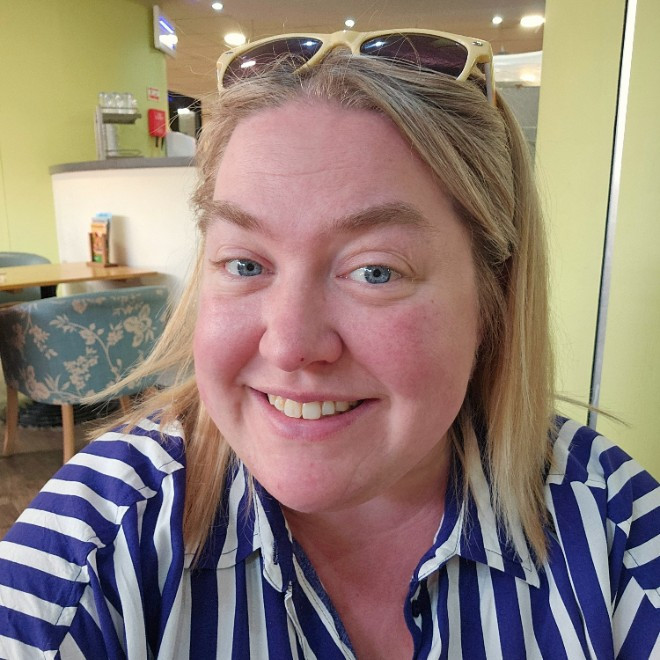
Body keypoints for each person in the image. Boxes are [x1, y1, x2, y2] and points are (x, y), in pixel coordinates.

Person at [0, 30, 658, 659]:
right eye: (246, 263)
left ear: (493, 298)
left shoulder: (615, 529)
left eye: (376, 272)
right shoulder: (91, 546)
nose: (289, 345)